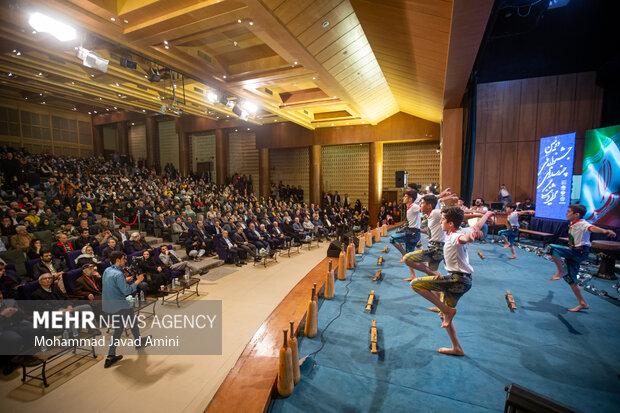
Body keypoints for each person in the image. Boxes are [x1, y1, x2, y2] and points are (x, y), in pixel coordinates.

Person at [410, 207, 493, 356]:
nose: (441, 221)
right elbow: (477, 226)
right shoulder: (459, 231)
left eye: (443, 220)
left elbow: (465, 239)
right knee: (445, 316)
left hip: (456, 280)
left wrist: (472, 237)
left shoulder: (456, 236)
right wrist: (487, 214)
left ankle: (446, 310)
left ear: (450, 224)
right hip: (461, 281)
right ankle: (457, 348)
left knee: (415, 284)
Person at [548, 204, 616, 312]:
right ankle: (582, 303)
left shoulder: (583, 223)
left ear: (576, 214)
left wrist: (605, 231)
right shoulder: (573, 223)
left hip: (579, 252)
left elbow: (592, 228)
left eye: (569, 211)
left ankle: (560, 271)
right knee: (570, 278)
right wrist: (549, 295)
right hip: (574, 251)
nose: (566, 213)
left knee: (551, 248)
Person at [101, 251, 148, 368]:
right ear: (118, 260)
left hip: (109, 304)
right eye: (123, 259)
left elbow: (110, 284)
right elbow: (127, 291)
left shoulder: (107, 270)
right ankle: (110, 356)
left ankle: (137, 342)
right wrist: (138, 281)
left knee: (131, 322)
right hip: (119, 305)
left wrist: (124, 281)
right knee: (120, 328)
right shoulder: (118, 274)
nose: (125, 260)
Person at [402, 194, 445, 280]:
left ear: (429, 206)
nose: (420, 205)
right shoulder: (430, 215)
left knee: (407, 258)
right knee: (431, 278)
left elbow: (452, 214)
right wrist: (419, 230)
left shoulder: (435, 212)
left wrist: (478, 214)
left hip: (436, 249)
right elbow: (429, 232)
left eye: (422, 203)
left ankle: (436, 274)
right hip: (436, 248)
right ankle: (436, 280)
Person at [390, 190, 421, 255]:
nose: (403, 198)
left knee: (392, 239)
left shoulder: (414, 206)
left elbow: (423, 209)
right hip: (411, 232)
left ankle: (405, 255)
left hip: (413, 233)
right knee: (409, 255)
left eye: (405, 196)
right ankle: (406, 255)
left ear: (410, 199)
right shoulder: (409, 207)